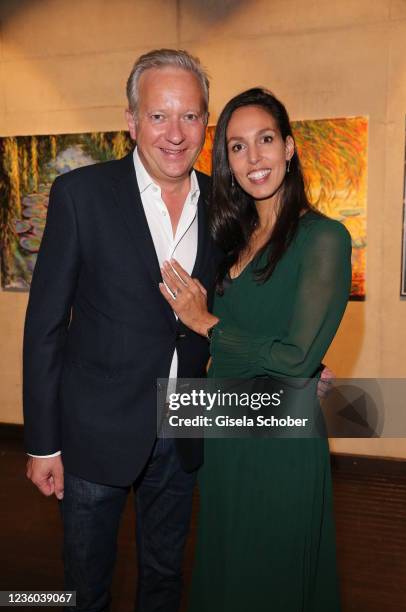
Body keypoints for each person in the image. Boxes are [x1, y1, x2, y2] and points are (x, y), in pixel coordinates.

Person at [23, 49, 219, 612]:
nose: (176, 134)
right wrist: (43, 444)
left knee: (163, 578)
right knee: (84, 586)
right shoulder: (81, 196)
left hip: (183, 426)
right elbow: (45, 328)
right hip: (92, 433)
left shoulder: (224, 202)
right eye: (159, 116)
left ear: (206, 120)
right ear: (131, 121)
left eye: (190, 116)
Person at [159, 88, 352, 611]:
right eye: (237, 147)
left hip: (280, 446)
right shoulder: (231, 239)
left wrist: (208, 323)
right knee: (226, 572)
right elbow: (278, 339)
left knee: (271, 578)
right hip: (226, 436)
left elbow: (293, 359)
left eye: (265, 140)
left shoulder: (324, 238)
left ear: (289, 147)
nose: (254, 158)